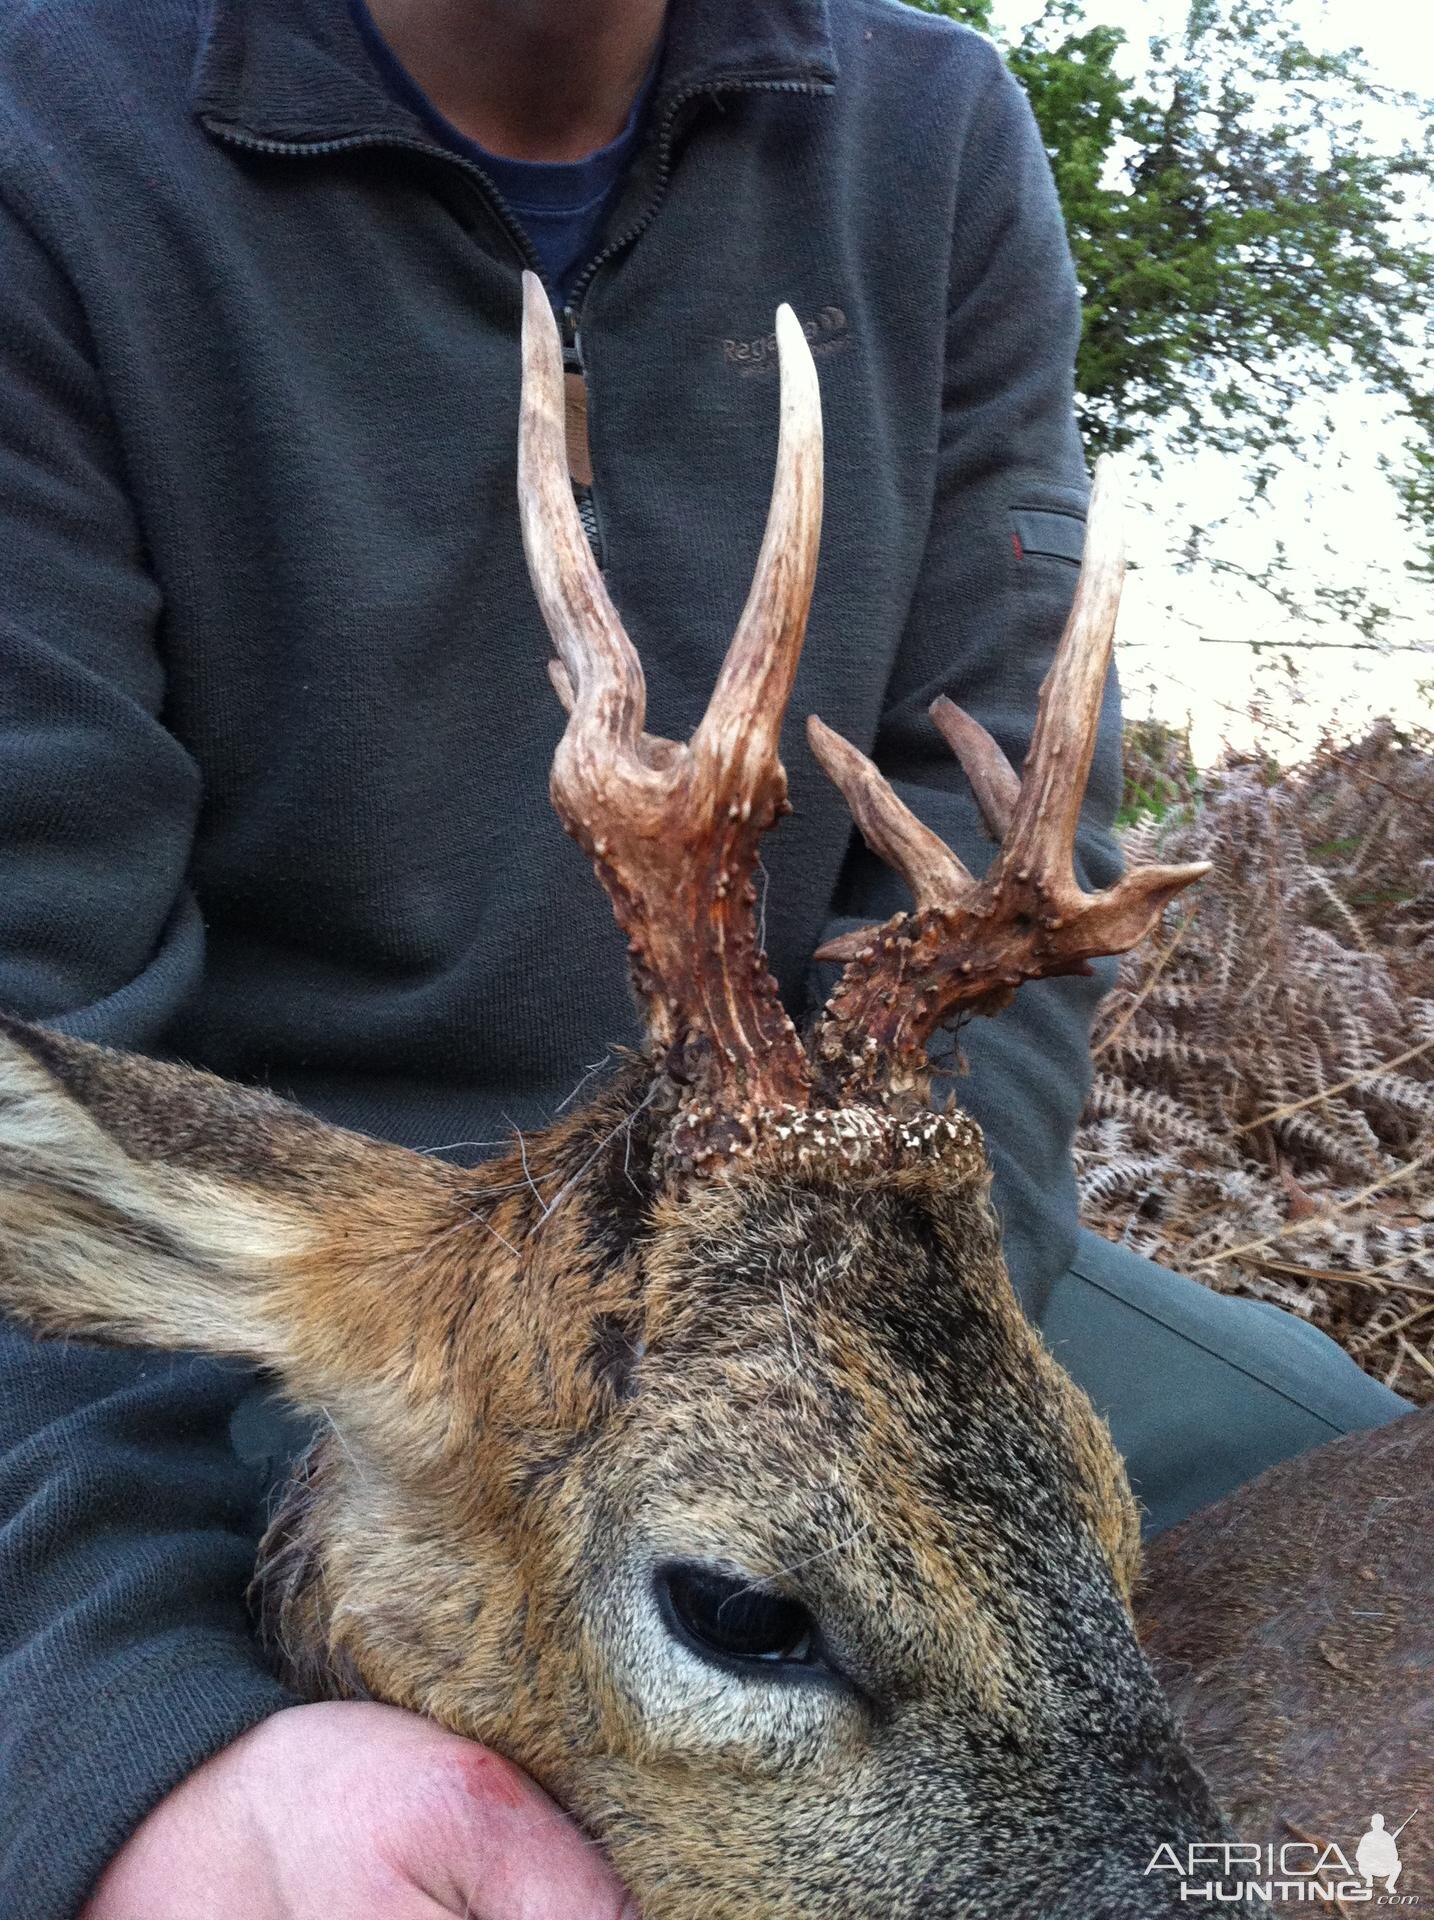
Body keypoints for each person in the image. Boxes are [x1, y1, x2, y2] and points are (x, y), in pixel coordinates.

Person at [0, 0, 1407, 1914]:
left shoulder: (929, 129)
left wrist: (856, 1311)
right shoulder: (39, 122)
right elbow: (26, 1006)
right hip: (277, 1252)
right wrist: (143, 1733)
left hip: (862, 1231)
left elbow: (988, 850)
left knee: (1359, 1513)